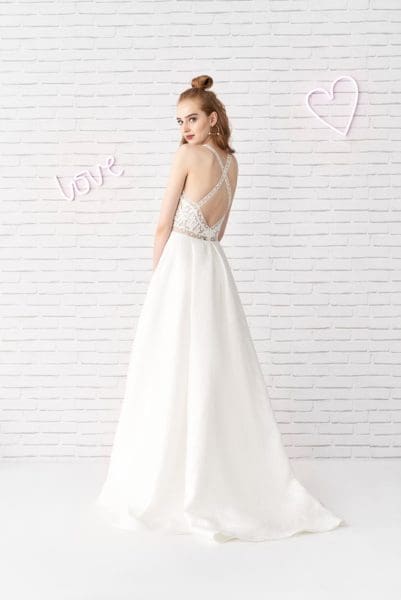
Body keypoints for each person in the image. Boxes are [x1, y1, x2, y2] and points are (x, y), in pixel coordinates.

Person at [94, 74, 345, 543]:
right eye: (179, 122)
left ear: (212, 118)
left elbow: (162, 225)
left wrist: (157, 278)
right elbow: (220, 230)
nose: (185, 129)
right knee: (212, 365)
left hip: (180, 264)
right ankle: (214, 471)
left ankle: (170, 475)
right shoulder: (232, 163)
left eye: (192, 119)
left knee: (168, 363)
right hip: (212, 266)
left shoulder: (187, 157)